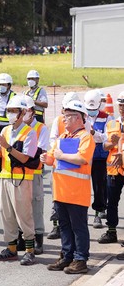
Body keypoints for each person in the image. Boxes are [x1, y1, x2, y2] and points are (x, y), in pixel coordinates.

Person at [41, 100, 95, 274]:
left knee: (78, 227)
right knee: (64, 225)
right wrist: (46, 159)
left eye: (68, 116)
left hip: (77, 193)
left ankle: (80, 260)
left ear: (79, 118)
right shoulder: (62, 137)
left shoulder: (85, 137)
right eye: (64, 116)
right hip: (61, 191)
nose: (64, 119)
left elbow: (82, 159)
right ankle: (67, 256)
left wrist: (61, 155)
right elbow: (51, 158)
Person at [0, 95, 38, 266]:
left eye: (13, 111)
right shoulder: (5, 131)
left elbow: (25, 158)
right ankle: (11, 249)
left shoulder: (29, 132)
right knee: (6, 213)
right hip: (5, 177)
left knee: (24, 214)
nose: (10, 114)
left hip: (21, 179)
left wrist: (8, 146)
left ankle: (30, 250)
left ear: (22, 113)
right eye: (8, 111)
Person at [22, 95, 49, 255]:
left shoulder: (41, 128)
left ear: (32, 111)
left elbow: (39, 151)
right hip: (18, 174)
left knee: (36, 207)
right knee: (20, 207)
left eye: (24, 111)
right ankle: (22, 238)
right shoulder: (16, 128)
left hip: (35, 173)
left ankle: (38, 240)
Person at [83, 89, 111, 228]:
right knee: (82, 186)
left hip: (99, 157)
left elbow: (107, 137)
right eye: (88, 109)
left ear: (99, 104)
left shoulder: (107, 118)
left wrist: (94, 133)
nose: (90, 111)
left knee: (99, 186)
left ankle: (98, 213)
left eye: (93, 109)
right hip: (84, 157)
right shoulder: (81, 116)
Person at [100, 92, 124, 244]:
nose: (122, 108)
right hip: (114, 170)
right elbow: (105, 145)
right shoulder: (111, 124)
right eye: (120, 105)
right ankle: (111, 231)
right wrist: (112, 143)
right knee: (112, 202)